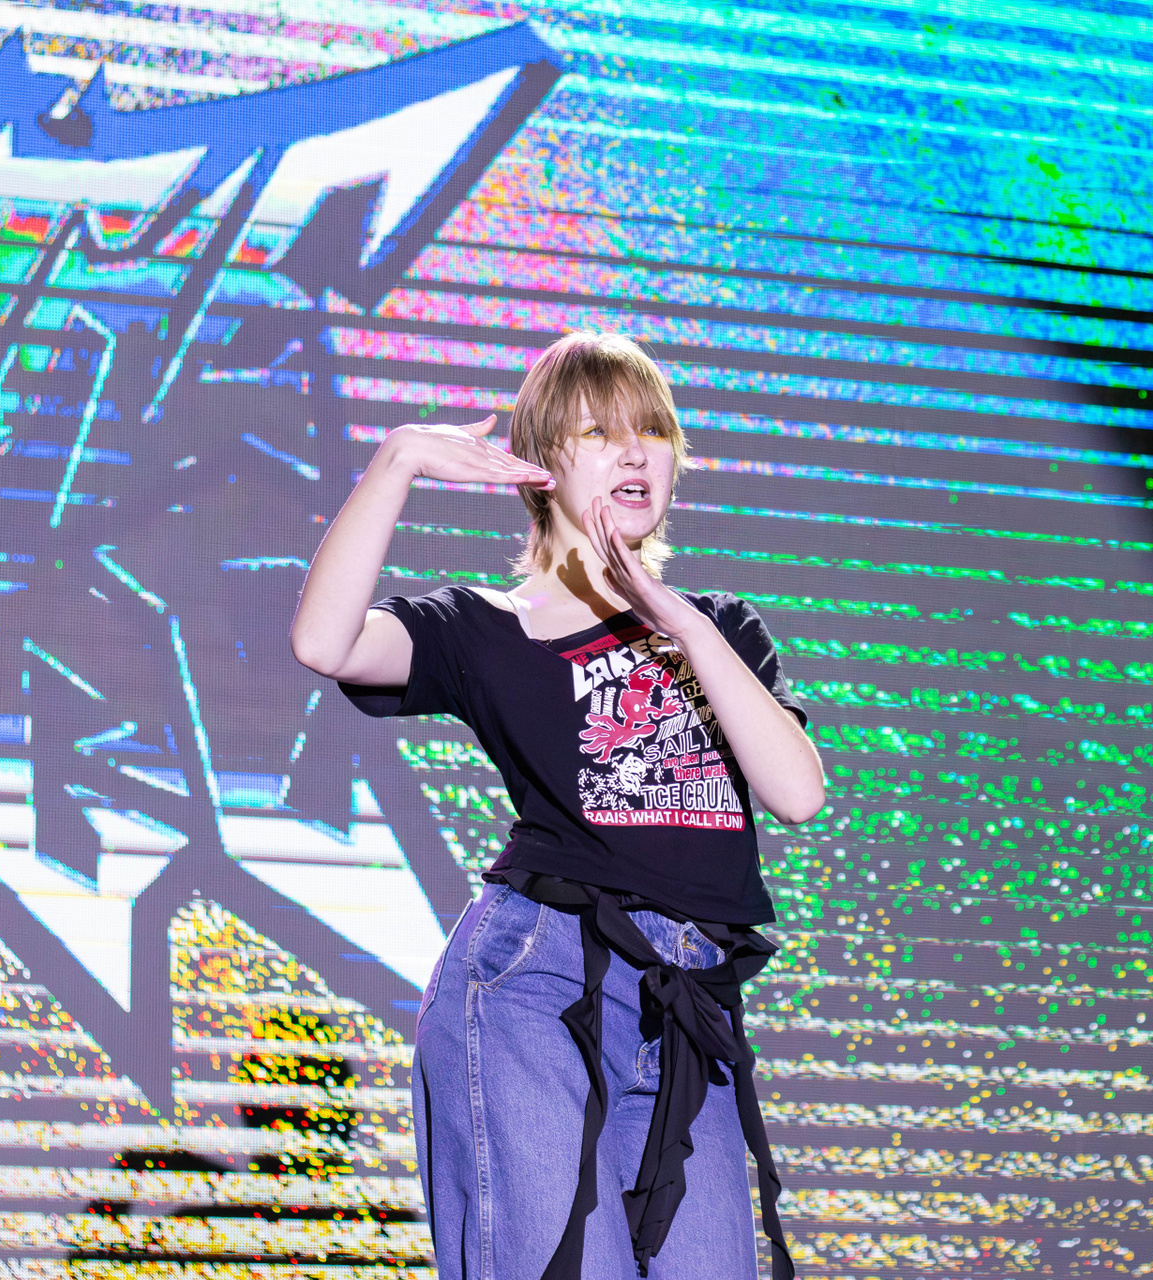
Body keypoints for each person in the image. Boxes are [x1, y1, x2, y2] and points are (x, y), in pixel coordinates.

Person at [290, 331, 826, 1280]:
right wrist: (397, 460)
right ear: (541, 464)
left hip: (687, 1006)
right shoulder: (488, 626)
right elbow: (325, 644)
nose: (633, 451)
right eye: (599, 432)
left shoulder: (721, 628)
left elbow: (797, 793)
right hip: (537, 982)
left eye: (651, 431)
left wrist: (677, 621)